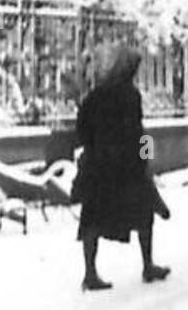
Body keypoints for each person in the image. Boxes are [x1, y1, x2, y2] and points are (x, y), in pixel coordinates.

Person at [72, 42, 171, 291]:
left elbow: (81, 131)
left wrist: (94, 149)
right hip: (127, 168)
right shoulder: (130, 96)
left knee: (92, 219)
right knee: (143, 214)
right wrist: (147, 157)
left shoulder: (93, 97)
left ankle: (90, 273)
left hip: (97, 166)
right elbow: (139, 132)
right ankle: (148, 265)